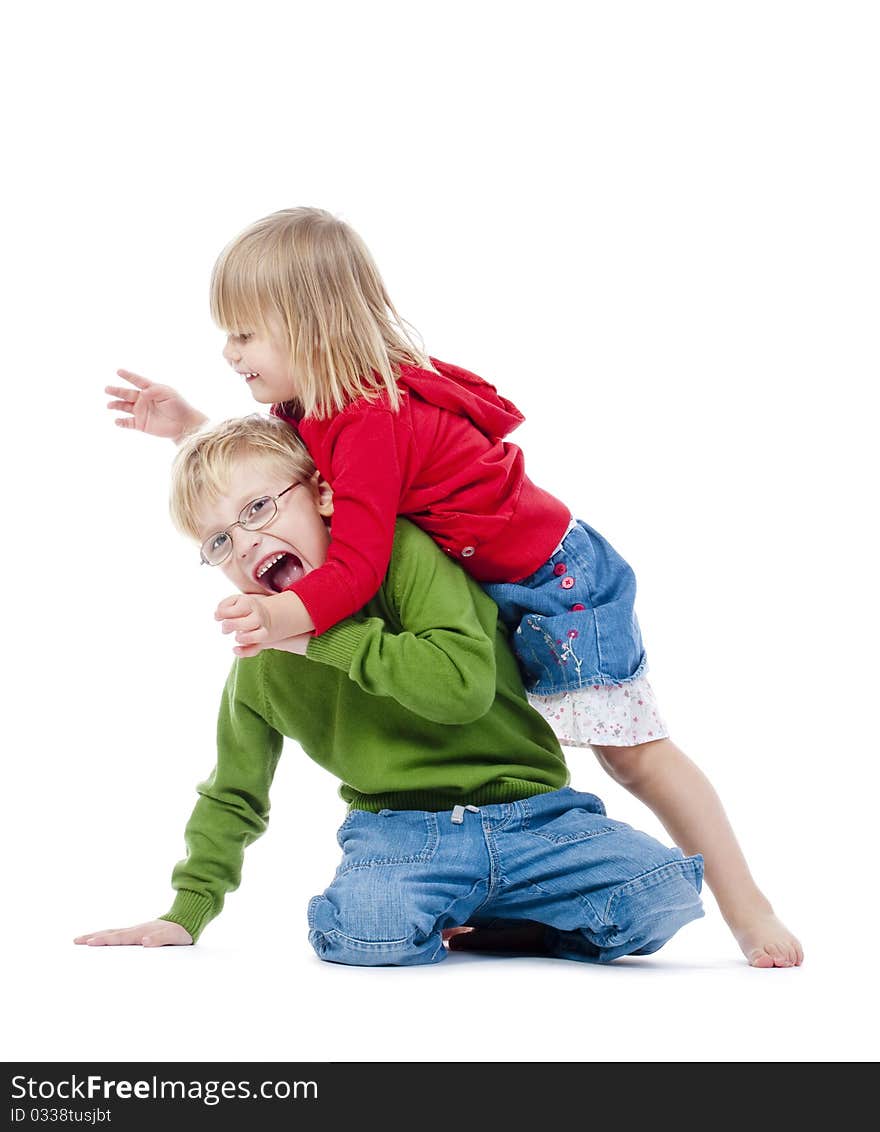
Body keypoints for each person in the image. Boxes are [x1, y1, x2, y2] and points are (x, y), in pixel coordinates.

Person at [105, 206, 802, 968]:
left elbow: (357, 569)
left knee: (633, 755)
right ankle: (502, 908)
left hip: (556, 584)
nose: (230, 351)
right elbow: (269, 482)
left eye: (243, 331)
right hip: (491, 584)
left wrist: (289, 622)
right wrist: (191, 429)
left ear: (308, 325)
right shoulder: (314, 411)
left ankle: (747, 905)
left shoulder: (367, 420)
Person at [75, 415, 704, 964]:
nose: (245, 543)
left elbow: (460, 689)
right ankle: (445, 908)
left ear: (323, 494)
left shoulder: (405, 558)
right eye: (218, 542)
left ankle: (515, 924)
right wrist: (188, 909)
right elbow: (234, 791)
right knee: (369, 933)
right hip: (401, 832)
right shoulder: (261, 664)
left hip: (535, 816)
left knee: (665, 894)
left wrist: (323, 639)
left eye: (259, 511)